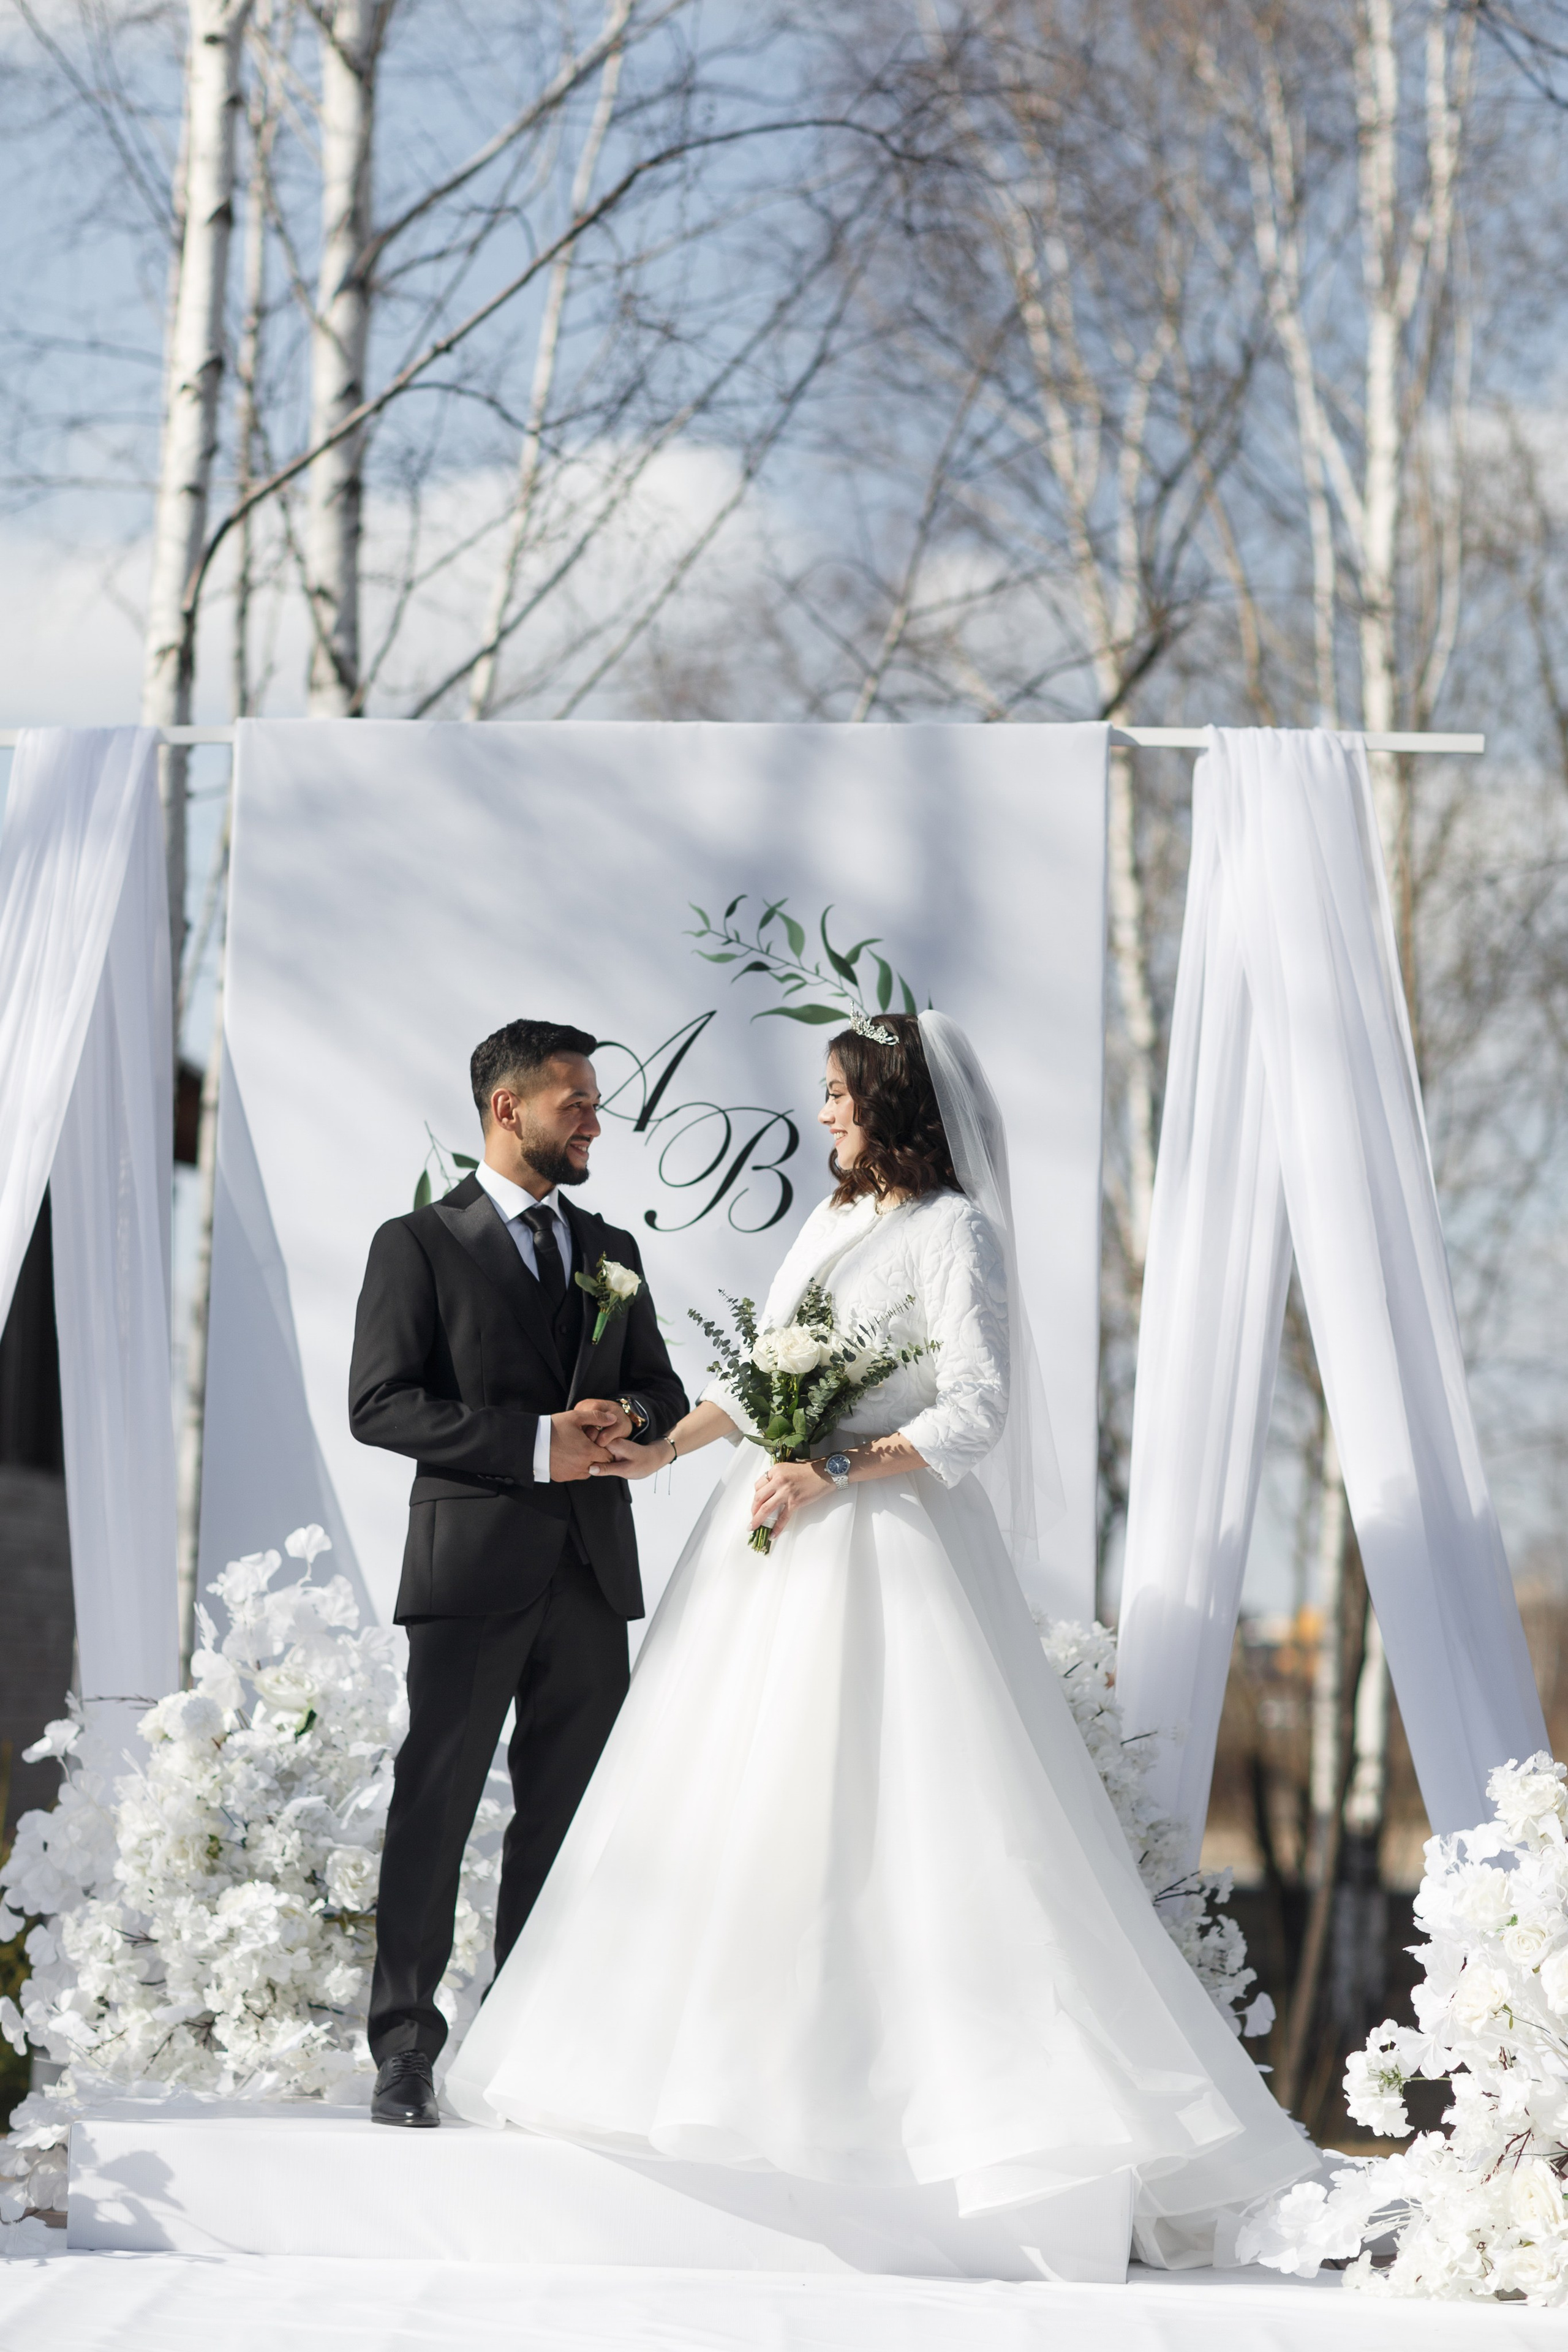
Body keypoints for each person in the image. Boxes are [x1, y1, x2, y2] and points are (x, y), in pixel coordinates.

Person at [444, 1011, 1316, 2267]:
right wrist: (652, 1452)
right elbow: (757, 1386)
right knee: (740, 1810)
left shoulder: (950, 1232)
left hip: (882, 1545)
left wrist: (834, 1468)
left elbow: (976, 1406)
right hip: (770, 1550)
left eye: (839, 1097)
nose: (822, 1115)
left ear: (891, 1101)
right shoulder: (835, 1220)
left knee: (902, 1817)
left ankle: (920, 2113)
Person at [348, 1017, 687, 2127]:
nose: (596, 1120)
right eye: (576, 1102)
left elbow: (664, 1395)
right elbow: (380, 1405)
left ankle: (539, 2049)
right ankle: (404, 2051)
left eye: (595, 1102)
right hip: (472, 1566)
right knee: (435, 1805)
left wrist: (626, 1417)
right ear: (509, 1110)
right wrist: (538, 1441)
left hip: (590, 1570)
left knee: (570, 1816)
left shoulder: (613, 1252)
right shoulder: (418, 1244)